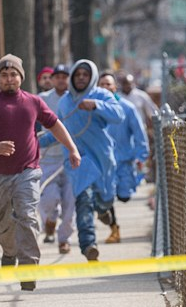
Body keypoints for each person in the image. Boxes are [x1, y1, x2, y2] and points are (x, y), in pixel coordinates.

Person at [0, 54, 81, 291]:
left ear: (21, 77)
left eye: (13, 75)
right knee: (3, 223)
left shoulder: (33, 101)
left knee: (28, 216)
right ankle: (9, 252)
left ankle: (29, 267)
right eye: (4, 75)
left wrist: (72, 148)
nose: (9, 79)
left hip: (28, 171)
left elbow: (55, 125)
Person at [39, 59, 124, 261]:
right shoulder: (65, 102)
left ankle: (104, 211)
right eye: (78, 75)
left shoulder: (102, 95)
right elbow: (60, 131)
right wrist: (36, 142)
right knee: (83, 202)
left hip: (102, 159)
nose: (81, 78)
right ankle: (88, 245)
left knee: (105, 199)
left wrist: (96, 105)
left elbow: (119, 115)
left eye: (85, 75)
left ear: (91, 77)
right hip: (78, 162)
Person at [97, 72, 149, 244]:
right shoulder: (92, 109)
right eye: (101, 84)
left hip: (124, 161)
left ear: (114, 87)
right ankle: (114, 229)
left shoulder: (127, 108)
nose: (105, 88)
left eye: (108, 84)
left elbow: (139, 133)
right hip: (103, 163)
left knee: (124, 196)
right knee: (106, 197)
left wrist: (141, 155)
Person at [38, 64, 75, 254]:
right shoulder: (42, 99)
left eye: (65, 76)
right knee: (48, 199)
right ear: (51, 80)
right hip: (47, 159)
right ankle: (50, 220)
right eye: (57, 76)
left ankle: (64, 239)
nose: (61, 80)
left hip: (70, 159)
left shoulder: (76, 99)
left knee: (70, 204)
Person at [116, 71, 157, 181]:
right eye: (125, 83)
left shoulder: (141, 96)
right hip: (122, 132)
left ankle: (139, 175)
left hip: (138, 130)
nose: (127, 86)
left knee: (140, 154)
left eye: (129, 83)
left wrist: (153, 125)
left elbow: (152, 111)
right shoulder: (118, 98)